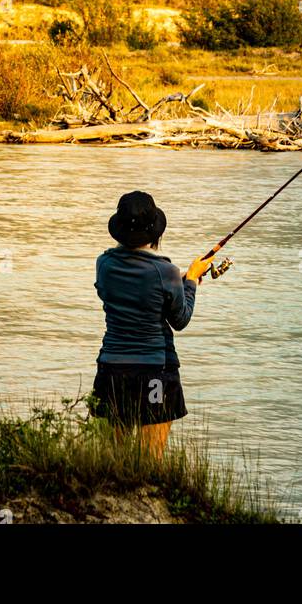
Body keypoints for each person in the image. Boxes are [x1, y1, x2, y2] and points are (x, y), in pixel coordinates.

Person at [92, 191, 212, 458]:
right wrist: (190, 281)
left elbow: (132, 288)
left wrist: (176, 283)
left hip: (112, 368)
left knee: (112, 457)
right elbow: (180, 319)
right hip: (154, 371)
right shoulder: (165, 272)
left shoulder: (104, 264)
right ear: (155, 233)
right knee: (150, 459)